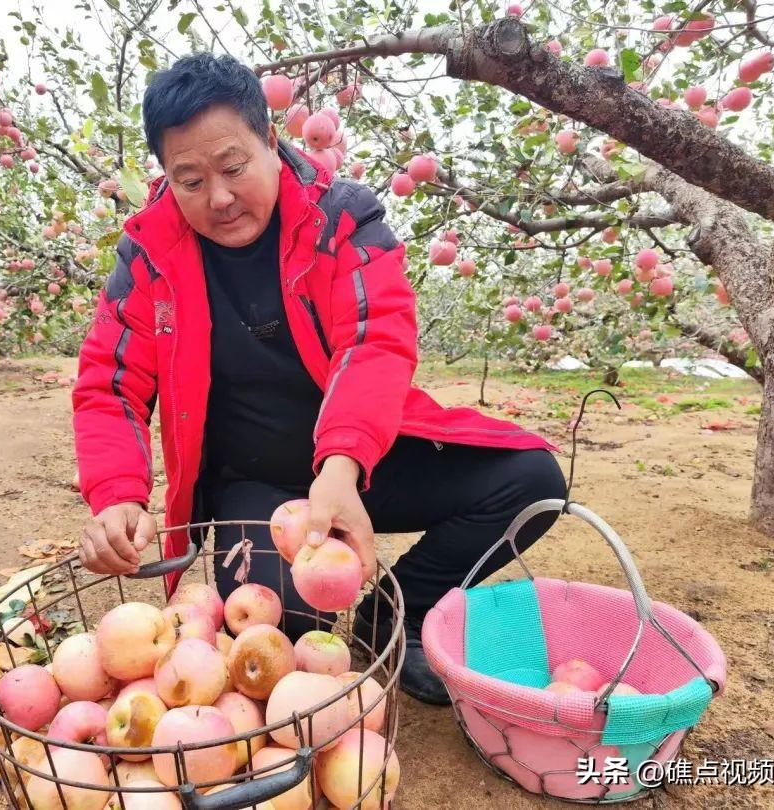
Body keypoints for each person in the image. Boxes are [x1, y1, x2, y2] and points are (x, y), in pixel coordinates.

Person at [71, 53, 566, 704]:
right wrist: (117, 495)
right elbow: (109, 382)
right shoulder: (148, 254)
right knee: (278, 635)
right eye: (189, 179)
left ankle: (403, 612)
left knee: (532, 484)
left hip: (363, 462)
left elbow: (376, 337)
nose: (217, 198)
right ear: (166, 176)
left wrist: (342, 465)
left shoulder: (342, 217)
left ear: (270, 141)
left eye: (233, 167)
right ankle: (315, 617)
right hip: (254, 486)